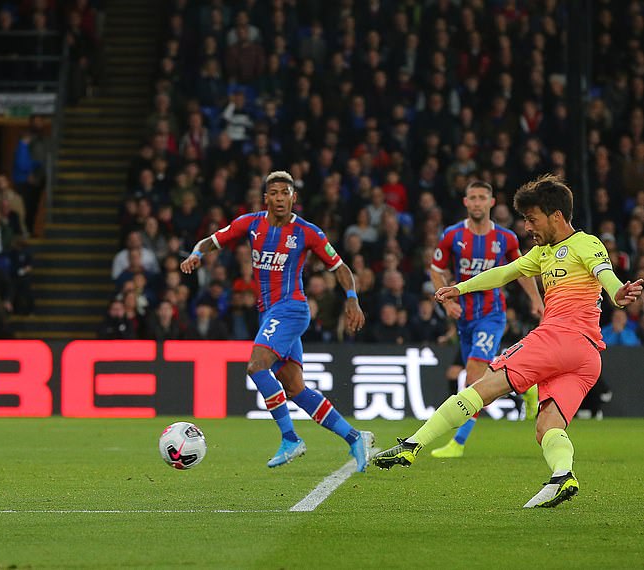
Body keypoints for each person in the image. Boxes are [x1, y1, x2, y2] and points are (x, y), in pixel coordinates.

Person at [373, 174, 644, 508]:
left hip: (559, 338)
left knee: (483, 386)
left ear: (556, 216)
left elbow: (605, 275)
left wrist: (618, 292)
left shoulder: (585, 243)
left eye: (532, 219)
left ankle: (412, 444)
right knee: (547, 427)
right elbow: (504, 272)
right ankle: (562, 475)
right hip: (586, 358)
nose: (528, 227)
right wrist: (460, 287)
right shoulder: (543, 253)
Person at [181, 171, 373, 470]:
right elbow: (214, 240)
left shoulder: (307, 232)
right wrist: (196, 253)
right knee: (296, 389)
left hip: (291, 309)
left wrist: (351, 298)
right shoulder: (251, 223)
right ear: (266, 198)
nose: (280, 198)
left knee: (256, 366)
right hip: (268, 314)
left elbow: (340, 266)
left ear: (294, 197)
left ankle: (290, 438)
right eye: (274, 193)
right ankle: (354, 437)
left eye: (285, 192)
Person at [428, 180, 545, 458]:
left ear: (491, 202)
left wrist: (536, 300)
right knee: (484, 376)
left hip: (491, 315)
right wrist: (447, 302)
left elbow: (522, 270)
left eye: (482, 197)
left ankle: (458, 442)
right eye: (473, 197)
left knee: (472, 376)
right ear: (465, 202)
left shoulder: (506, 238)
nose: (477, 202)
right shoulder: (452, 235)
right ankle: (525, 387)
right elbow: (436, 269)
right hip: (464, 318)